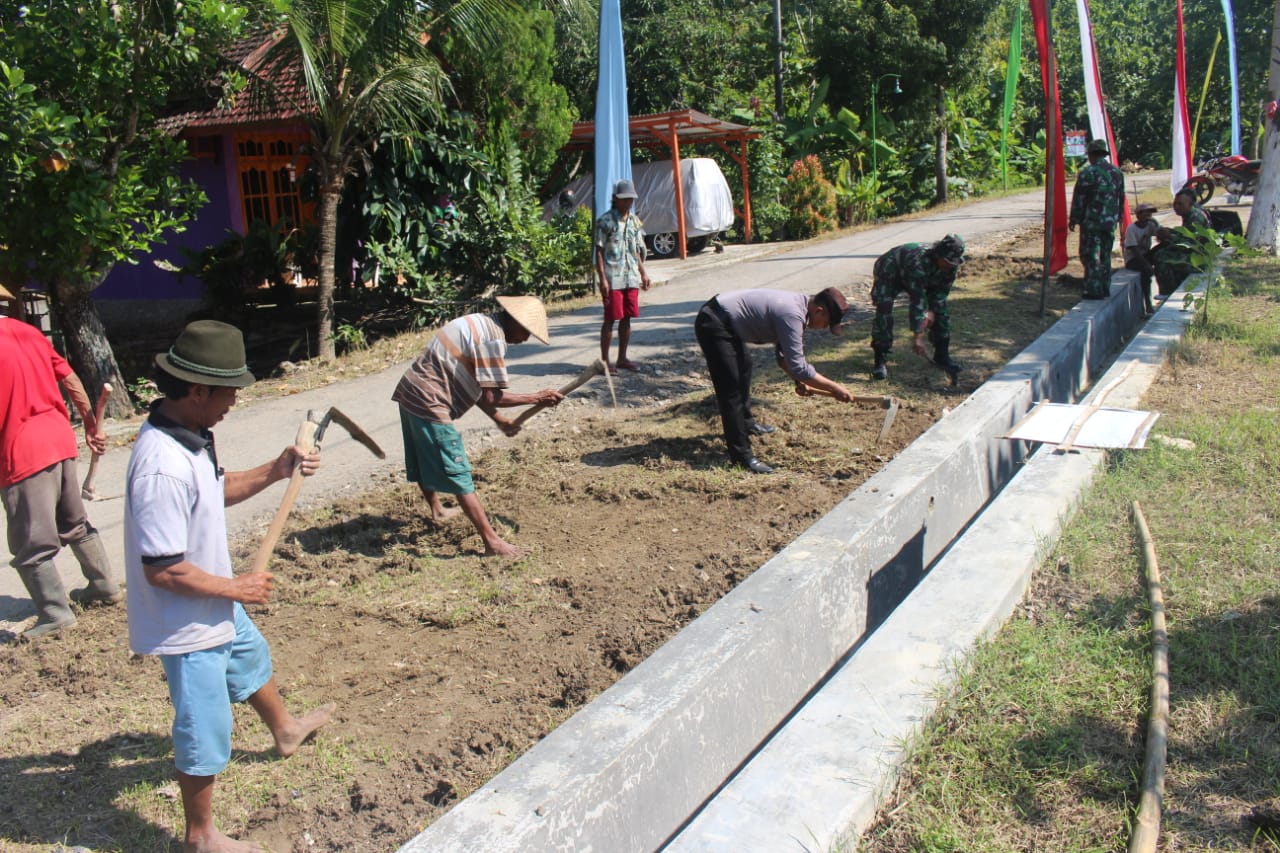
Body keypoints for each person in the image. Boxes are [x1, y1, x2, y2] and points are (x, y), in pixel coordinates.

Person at [124, 319, 335, 853]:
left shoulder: (191, 437)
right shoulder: (160, 468)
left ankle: (285, 730)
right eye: (229, 393)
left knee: (249, 656)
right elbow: (163, 570)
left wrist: (276, 468)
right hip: (185, 619)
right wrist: (235, 588)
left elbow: (214, 489)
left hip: (212, 599)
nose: (234, 403)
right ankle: (201, 836)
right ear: (198, 390)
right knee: (204, 726)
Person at [393, 295, 564, 557]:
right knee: (457, 468)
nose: (526, 339)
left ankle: (437, 509)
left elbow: (475, 386)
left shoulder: (479, 322)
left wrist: (499, 420)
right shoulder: (492, 340)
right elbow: (493, 396)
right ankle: (492, 542)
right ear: (514, 321)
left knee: (421, 454)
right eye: (527, 332)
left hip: (411, 390)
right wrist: (537, 397)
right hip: (430, 400)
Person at [1, 315, 120, 638]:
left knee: (31, 542)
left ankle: (55, 613)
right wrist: (89, 424)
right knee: (73, 522)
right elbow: (70, 379)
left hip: (21, 449)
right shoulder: (29, 333)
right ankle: (103, 585)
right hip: (58, 437)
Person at [694, 287, 855, 474]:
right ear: (819, 311)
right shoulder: (792, 314)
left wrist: (798, 381)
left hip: (727, 322)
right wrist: (834, 388)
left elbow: (784, 357)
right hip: (714, 322)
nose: (824, 328)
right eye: (827, 323)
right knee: (731, 391)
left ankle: (746, 423)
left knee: (744, 368)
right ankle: (742, 457)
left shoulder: (799, 310)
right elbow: (799, 367)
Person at [869, 234, 967, 382]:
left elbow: (939, 296)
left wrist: (933, 312)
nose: (950, 266)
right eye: (947, 261)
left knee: (941, 311)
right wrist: (918, 337)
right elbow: (918, 301)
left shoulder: (950, 268)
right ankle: (880, 359)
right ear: (938, 255)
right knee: (884, 311)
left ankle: (942, 356)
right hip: (889, 272)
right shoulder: (918, 264)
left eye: (953, 263)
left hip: (915, 276)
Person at [595, 178, 651, 374]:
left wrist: (643, 273)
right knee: (610, 319)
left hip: (631, 276)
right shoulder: (605, 221)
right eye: (624, 199)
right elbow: (599, 251)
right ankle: (604, 361)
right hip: (613, 277)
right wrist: (602, 279)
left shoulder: (635, 222)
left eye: (630, 199)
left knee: (628, 318)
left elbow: (636, 250)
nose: (628, 202)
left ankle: (622, 358)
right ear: (615, 199)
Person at [1068, 138, 1126, 300]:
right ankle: (1104, 287)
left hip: (1092, 222)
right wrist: (1118, 218)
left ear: (1092, 155)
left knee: (1090, 254)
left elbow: (1079, 198)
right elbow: (1121, 198)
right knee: (1105, 255)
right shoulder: (1117, 173)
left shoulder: (1088, 173)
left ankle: (1093, 289)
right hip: (1109, 222)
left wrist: (1074, 218)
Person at [1152, 188, 1213, 296]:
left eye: (1180, 204)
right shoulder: (1189, 215)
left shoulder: (1196, 218)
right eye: (1175, 203)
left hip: (1199, 260)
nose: (1176, 207)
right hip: (1195, 255)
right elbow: (1184, 234)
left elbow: (1189, 244)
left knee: (1162, 258)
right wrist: (1169, 232)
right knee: (1162, 252)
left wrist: (1169, 237)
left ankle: (1168, 293)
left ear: (1191, 204)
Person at [1123, 202, 1161, 314]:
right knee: (1145, 272)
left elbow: (1160, 235)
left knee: (1163, 254)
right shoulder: (1132, 229)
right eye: (1146, 213)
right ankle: (1148, 304)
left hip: (1145, 254)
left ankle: (1164, 291)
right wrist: (1147, 264)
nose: (1149, 215)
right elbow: (1134, 250)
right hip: (1133, 259)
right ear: (1138, 215)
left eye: (1150, 213)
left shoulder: (1150, 225)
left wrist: (1157, 225)